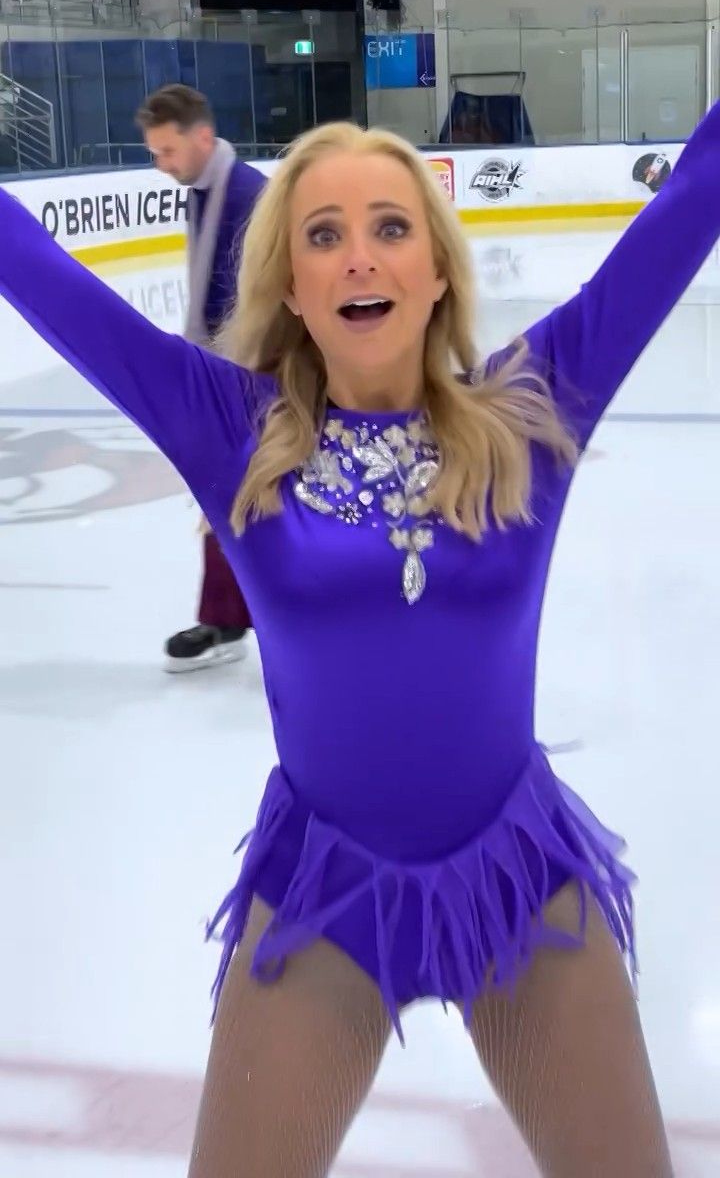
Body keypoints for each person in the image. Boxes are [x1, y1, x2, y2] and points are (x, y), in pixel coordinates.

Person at [3, 103, 718, 1178]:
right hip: (324, 895)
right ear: (292, 286)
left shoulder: (527, 411)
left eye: (390, 227)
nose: (359, 257)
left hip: (519, 882)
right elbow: (42, 278)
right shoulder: (230, 429)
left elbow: (687, 209)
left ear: (437, 270)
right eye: (323, 234)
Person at [136, 84, 265, 673]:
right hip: (225, 373)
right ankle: (228, 617)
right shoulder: (208, 189)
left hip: (257, 377)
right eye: (155, 153)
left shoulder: (246, 197)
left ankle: (239, 617)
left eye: (167, 151)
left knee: (243, 496)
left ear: (203, 138)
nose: (161, 164)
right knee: (227, 496)